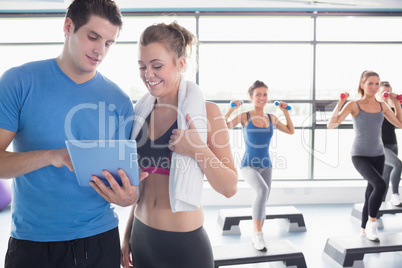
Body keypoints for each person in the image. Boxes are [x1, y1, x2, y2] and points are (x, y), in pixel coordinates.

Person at [0, 1, 137, 267]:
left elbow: (126, 183)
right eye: (93, 37)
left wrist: (130, 197)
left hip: (99, 239)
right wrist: (54, 156)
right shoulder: (18, 82)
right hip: (32, 242)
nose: (100, 50)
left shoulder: (120, 101)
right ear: (68, 26)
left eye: (109, 43)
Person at [118, 21, 238, 268]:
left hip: (184, 246)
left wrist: (197, 150)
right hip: (142, 237)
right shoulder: (141, 113)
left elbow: (229, 187)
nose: (148, 74)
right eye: (142, 66)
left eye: (157, 66)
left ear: (180, 64)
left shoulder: (208, 113)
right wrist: (128, 232)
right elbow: (143, 183)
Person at [327, 70, 402, 242]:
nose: (374, 87)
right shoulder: (354, 105)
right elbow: (332, 125)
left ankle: (363, 228)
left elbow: (400, 123)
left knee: (370, 191)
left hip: (378, 154)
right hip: (360, 155)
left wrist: (396, 102)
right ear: (362, 85)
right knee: (380, 185)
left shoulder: (382, 106)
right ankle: (372, 225)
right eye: (370, 83)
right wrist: (340, 102)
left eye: (377, 83)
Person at [225, 80, 294, 251]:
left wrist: (286, 113)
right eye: (258, 95)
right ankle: (257, 235)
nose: (262, 98)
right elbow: (224, 125)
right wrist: (231, 109)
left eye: (264, 95)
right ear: (251, 97)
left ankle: (257, 233)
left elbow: (290, 130)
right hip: (248, 164)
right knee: (262, 191)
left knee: (263, 200)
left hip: (267, 164)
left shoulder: (271, 117)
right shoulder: (245, 116)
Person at [377, 81, 402, 206]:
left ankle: (377, 211)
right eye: (383, 93)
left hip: (393, 144)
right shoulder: (376, 108)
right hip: (380, 146)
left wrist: (396, 101)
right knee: (398, 164)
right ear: (378, 93)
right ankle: (395, 194)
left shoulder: (393, 109)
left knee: (385, 177)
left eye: (388, 92)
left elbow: (400, 123)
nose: (386, 95)